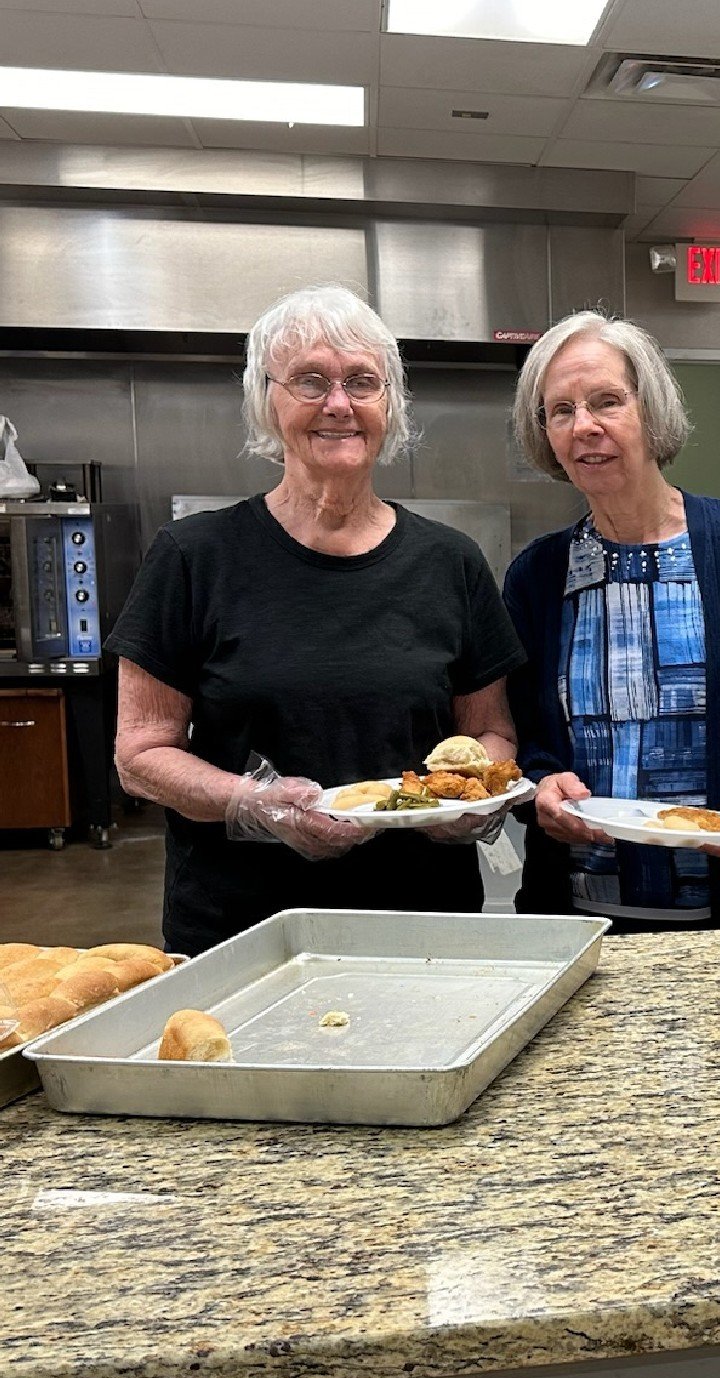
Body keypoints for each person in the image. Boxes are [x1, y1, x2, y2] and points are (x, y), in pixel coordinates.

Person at [108, 284, 525, 954]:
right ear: (265, 402)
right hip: (243, 930)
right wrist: (249, 802)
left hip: (420, 925)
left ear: (389, 405)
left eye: (362, 381)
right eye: (310, 381)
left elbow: (490, 732)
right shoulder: (192, 557)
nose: (339, 404)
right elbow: (140, 754)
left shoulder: (451, 563)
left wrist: (464, 803)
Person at [503, 310, 720, 930]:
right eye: (561, 410)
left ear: (650, 410)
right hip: (581, 919)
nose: (586, 427)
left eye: (607, 401)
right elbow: (527, 740)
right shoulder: (536, 576)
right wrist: (541, 787)